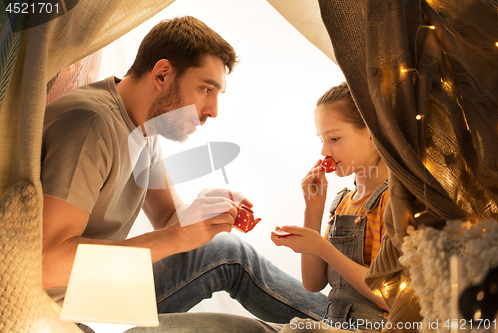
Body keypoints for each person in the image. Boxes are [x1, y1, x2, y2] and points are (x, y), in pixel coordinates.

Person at [41, 16, 328, 331]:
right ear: (163, 73)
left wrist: (204, 207)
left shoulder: (143, 128)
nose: (213, 110)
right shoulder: (91, 125)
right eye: (207, 89)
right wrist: (174, 237)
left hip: (91, 286)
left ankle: (349, 323)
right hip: (60, 301)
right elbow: (47, 266)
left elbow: (169, 219)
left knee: (226, 251)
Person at [272, 83, 390, 332]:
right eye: (322, 140)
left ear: (372, 133)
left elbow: (390, 298)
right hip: (334, 322)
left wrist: (322, 247)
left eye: (334, 138)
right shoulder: (343, 202)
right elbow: (314, 283)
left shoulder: (392, 200)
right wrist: (313, 210)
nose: (324, 150)